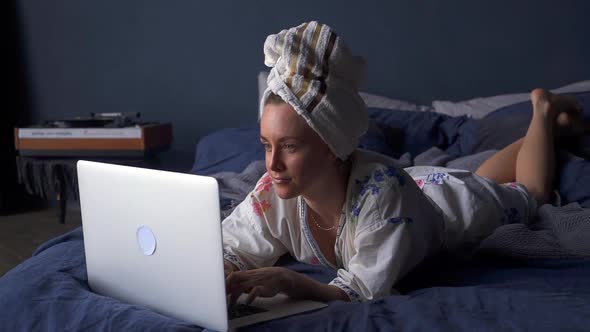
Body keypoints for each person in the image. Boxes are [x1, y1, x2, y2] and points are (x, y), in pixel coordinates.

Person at [221, 21, 585, 304]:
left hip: (449, 208)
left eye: (289, 147)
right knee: (474, 175)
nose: (273, 165)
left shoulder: (384, 196)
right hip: (416, 189)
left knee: (527, 193)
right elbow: (234, 246)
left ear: (333, 145)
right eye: (266, 146)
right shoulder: (273, 190)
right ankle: (536, 136)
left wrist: (291, 282)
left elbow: (364, 288)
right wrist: (221, 275)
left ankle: (543, 111)